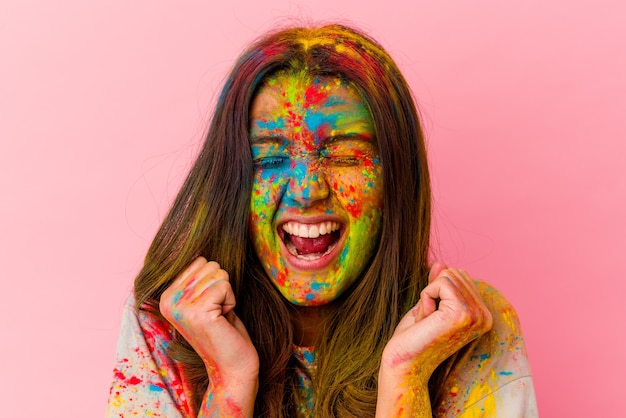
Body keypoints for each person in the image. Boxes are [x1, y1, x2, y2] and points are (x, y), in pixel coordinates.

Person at [106, 24, 538, 417]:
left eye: (345, 154)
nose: (306, 189)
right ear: (230, 180)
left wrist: (406, 376)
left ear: (396, 182)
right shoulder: (169, 322)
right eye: (269, 157)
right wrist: (228, 383)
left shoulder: (466, 327)